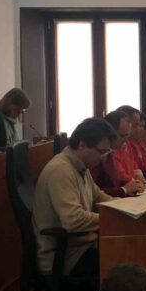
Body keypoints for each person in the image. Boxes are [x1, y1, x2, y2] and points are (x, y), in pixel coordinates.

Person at [33, 118, 117, 278]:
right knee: (127, 261)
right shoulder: (60, 170)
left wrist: (128, 207)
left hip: (82, 248)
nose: (104, 158)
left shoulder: (81, 166)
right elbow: (73, 220)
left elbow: (99, 197)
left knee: (131, 251)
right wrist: (113, 218)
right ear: (82, 145)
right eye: (101, 152)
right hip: (66, 258)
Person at [90, 111, 146, 197]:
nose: (126, 141)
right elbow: (94, 194)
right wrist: (124, 189)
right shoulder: (95, 156)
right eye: (122, 136)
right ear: (110, 134)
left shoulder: (110, 152)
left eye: (127, 136)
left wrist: (134, 185)